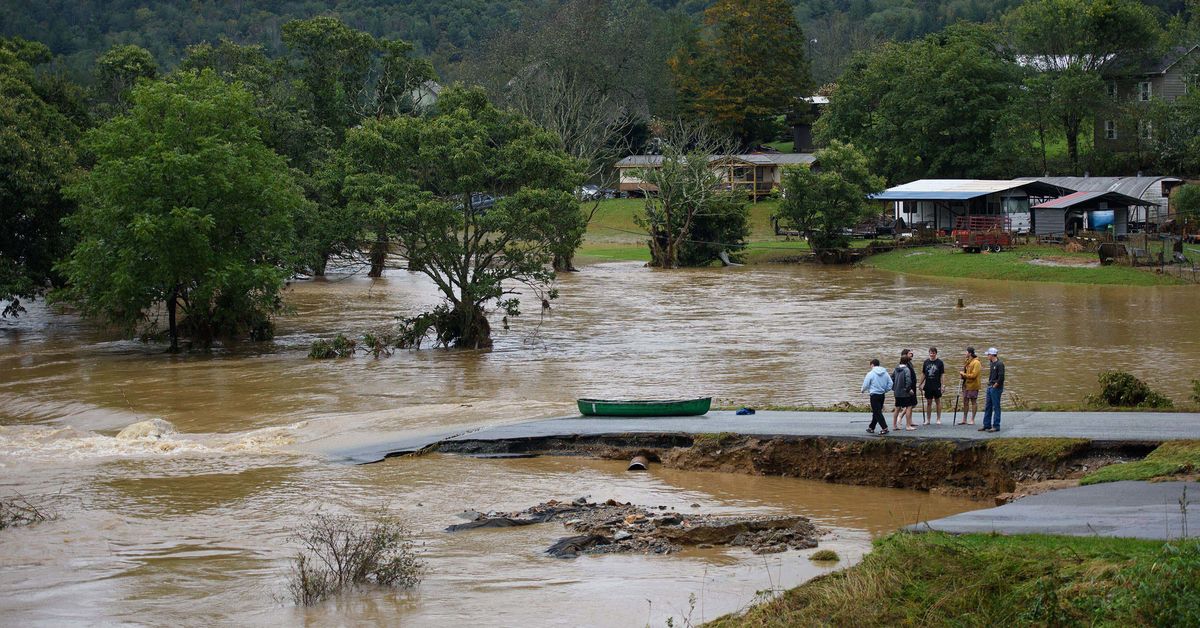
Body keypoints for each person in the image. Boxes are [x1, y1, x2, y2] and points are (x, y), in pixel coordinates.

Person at [861, 358, 893, 435]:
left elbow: (866, 384)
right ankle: (871, 427)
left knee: (877, 412)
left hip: (874, 395)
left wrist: (862, 390)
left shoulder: (870, 373)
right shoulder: (885, 373)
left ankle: (884, 428)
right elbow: (891, 383)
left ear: (872, 365)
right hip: (882, 395)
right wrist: (886, 390)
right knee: (876, 411)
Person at [892, 350, 918, 431]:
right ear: (907, 362)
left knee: (897, 408)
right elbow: (908, 381)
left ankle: (894, 425)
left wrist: (894, 388)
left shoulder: (896, 369)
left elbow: (891, 378)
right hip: (905, 393)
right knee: (909, 407)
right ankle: (908, 425)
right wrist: (908, 390)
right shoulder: (907, 369)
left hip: (897, 392)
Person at [981, 347, 1006, 432]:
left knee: (996, 406)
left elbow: (1001, 377)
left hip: (996, 388)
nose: (987, 356)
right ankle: (986, 425)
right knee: (988, 406)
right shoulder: (991, 363)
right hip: (990, 386)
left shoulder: (1000, 364)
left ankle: (996, 425)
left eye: (988, 354)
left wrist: (996, 385)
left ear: (992, 355)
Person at [920, 347, 945, 425]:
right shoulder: (926, 362)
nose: (932, 354)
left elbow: (942, 374)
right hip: (928, 385)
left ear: (936, 353)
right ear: (929, 353)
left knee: (938, 401)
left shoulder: (940, 362)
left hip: (937, 384)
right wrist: (920, 384)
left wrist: (943, 385)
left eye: (933, 353)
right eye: (931, 353)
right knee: (928, 402)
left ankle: (938, 419)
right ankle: (928, 420)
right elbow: (923, 374)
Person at [958, 347, 981, 425]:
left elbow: (974, 375)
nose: (965, 354)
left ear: (970, 353)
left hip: (973, 385)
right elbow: (966, 372)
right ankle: (964, 419)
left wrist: (964, 374)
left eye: (966, 352)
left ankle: (972, 419)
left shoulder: (976, 362)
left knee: (973, 401)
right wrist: (962, 376)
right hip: (965, 385)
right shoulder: (967, 361)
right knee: (965, 401)